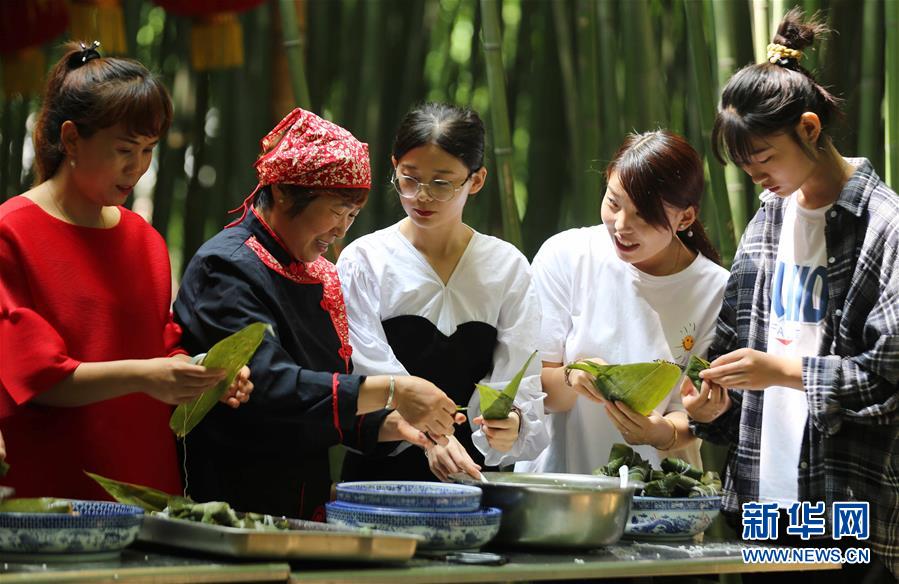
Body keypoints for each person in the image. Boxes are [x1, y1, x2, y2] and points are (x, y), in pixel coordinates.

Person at [685, 9, 897, 581]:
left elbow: (888, 378)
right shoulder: (768, 221)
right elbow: (734, 344)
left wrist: (779, 372)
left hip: (845, 498)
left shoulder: (884, 226)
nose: (756, 177)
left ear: (808, 128)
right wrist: (711, 403)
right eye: (744, 167)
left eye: (763, 160)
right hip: (762, 493)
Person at [173, 107, 463, 519]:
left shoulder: (319, 273)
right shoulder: (227, 267)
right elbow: (271, 388)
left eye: (352, 215)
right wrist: (396, 390)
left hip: (300, 498)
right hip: (227, 499)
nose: (342, 230)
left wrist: (390, 424)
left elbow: (322, 397)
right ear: (284, 192)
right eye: (335, 211)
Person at [0, 42, 252, 501]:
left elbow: (161, 345)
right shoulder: (12, 232)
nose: (136, 168)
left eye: (148, 150)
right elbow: (38, 379)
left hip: (146, 477)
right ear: (72, 139)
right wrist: (145, 375)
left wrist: (203, 375)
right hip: (53, 483)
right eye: (124, 150)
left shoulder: (144, 239)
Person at [337, 103, 549, 482]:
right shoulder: (364, 260)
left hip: (473, 474)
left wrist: (511, 422)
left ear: (477, 180)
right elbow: (363, 370)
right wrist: (430, 436)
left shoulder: (507, 267)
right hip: (380, 475)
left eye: (442, 182)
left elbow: (520, 377)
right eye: (409, 178)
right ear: (394, 167)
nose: (422, 196)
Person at [516, 130, 729, 477]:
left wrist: (661, 433)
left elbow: (697, 414)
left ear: (685, 218)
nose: (621, 226)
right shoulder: (566, 255)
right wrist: (572, 377)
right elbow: (534, 388)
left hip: (659, 503)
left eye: (644, 215)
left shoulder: (716, 290)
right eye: (614, 202)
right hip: (559, 491)